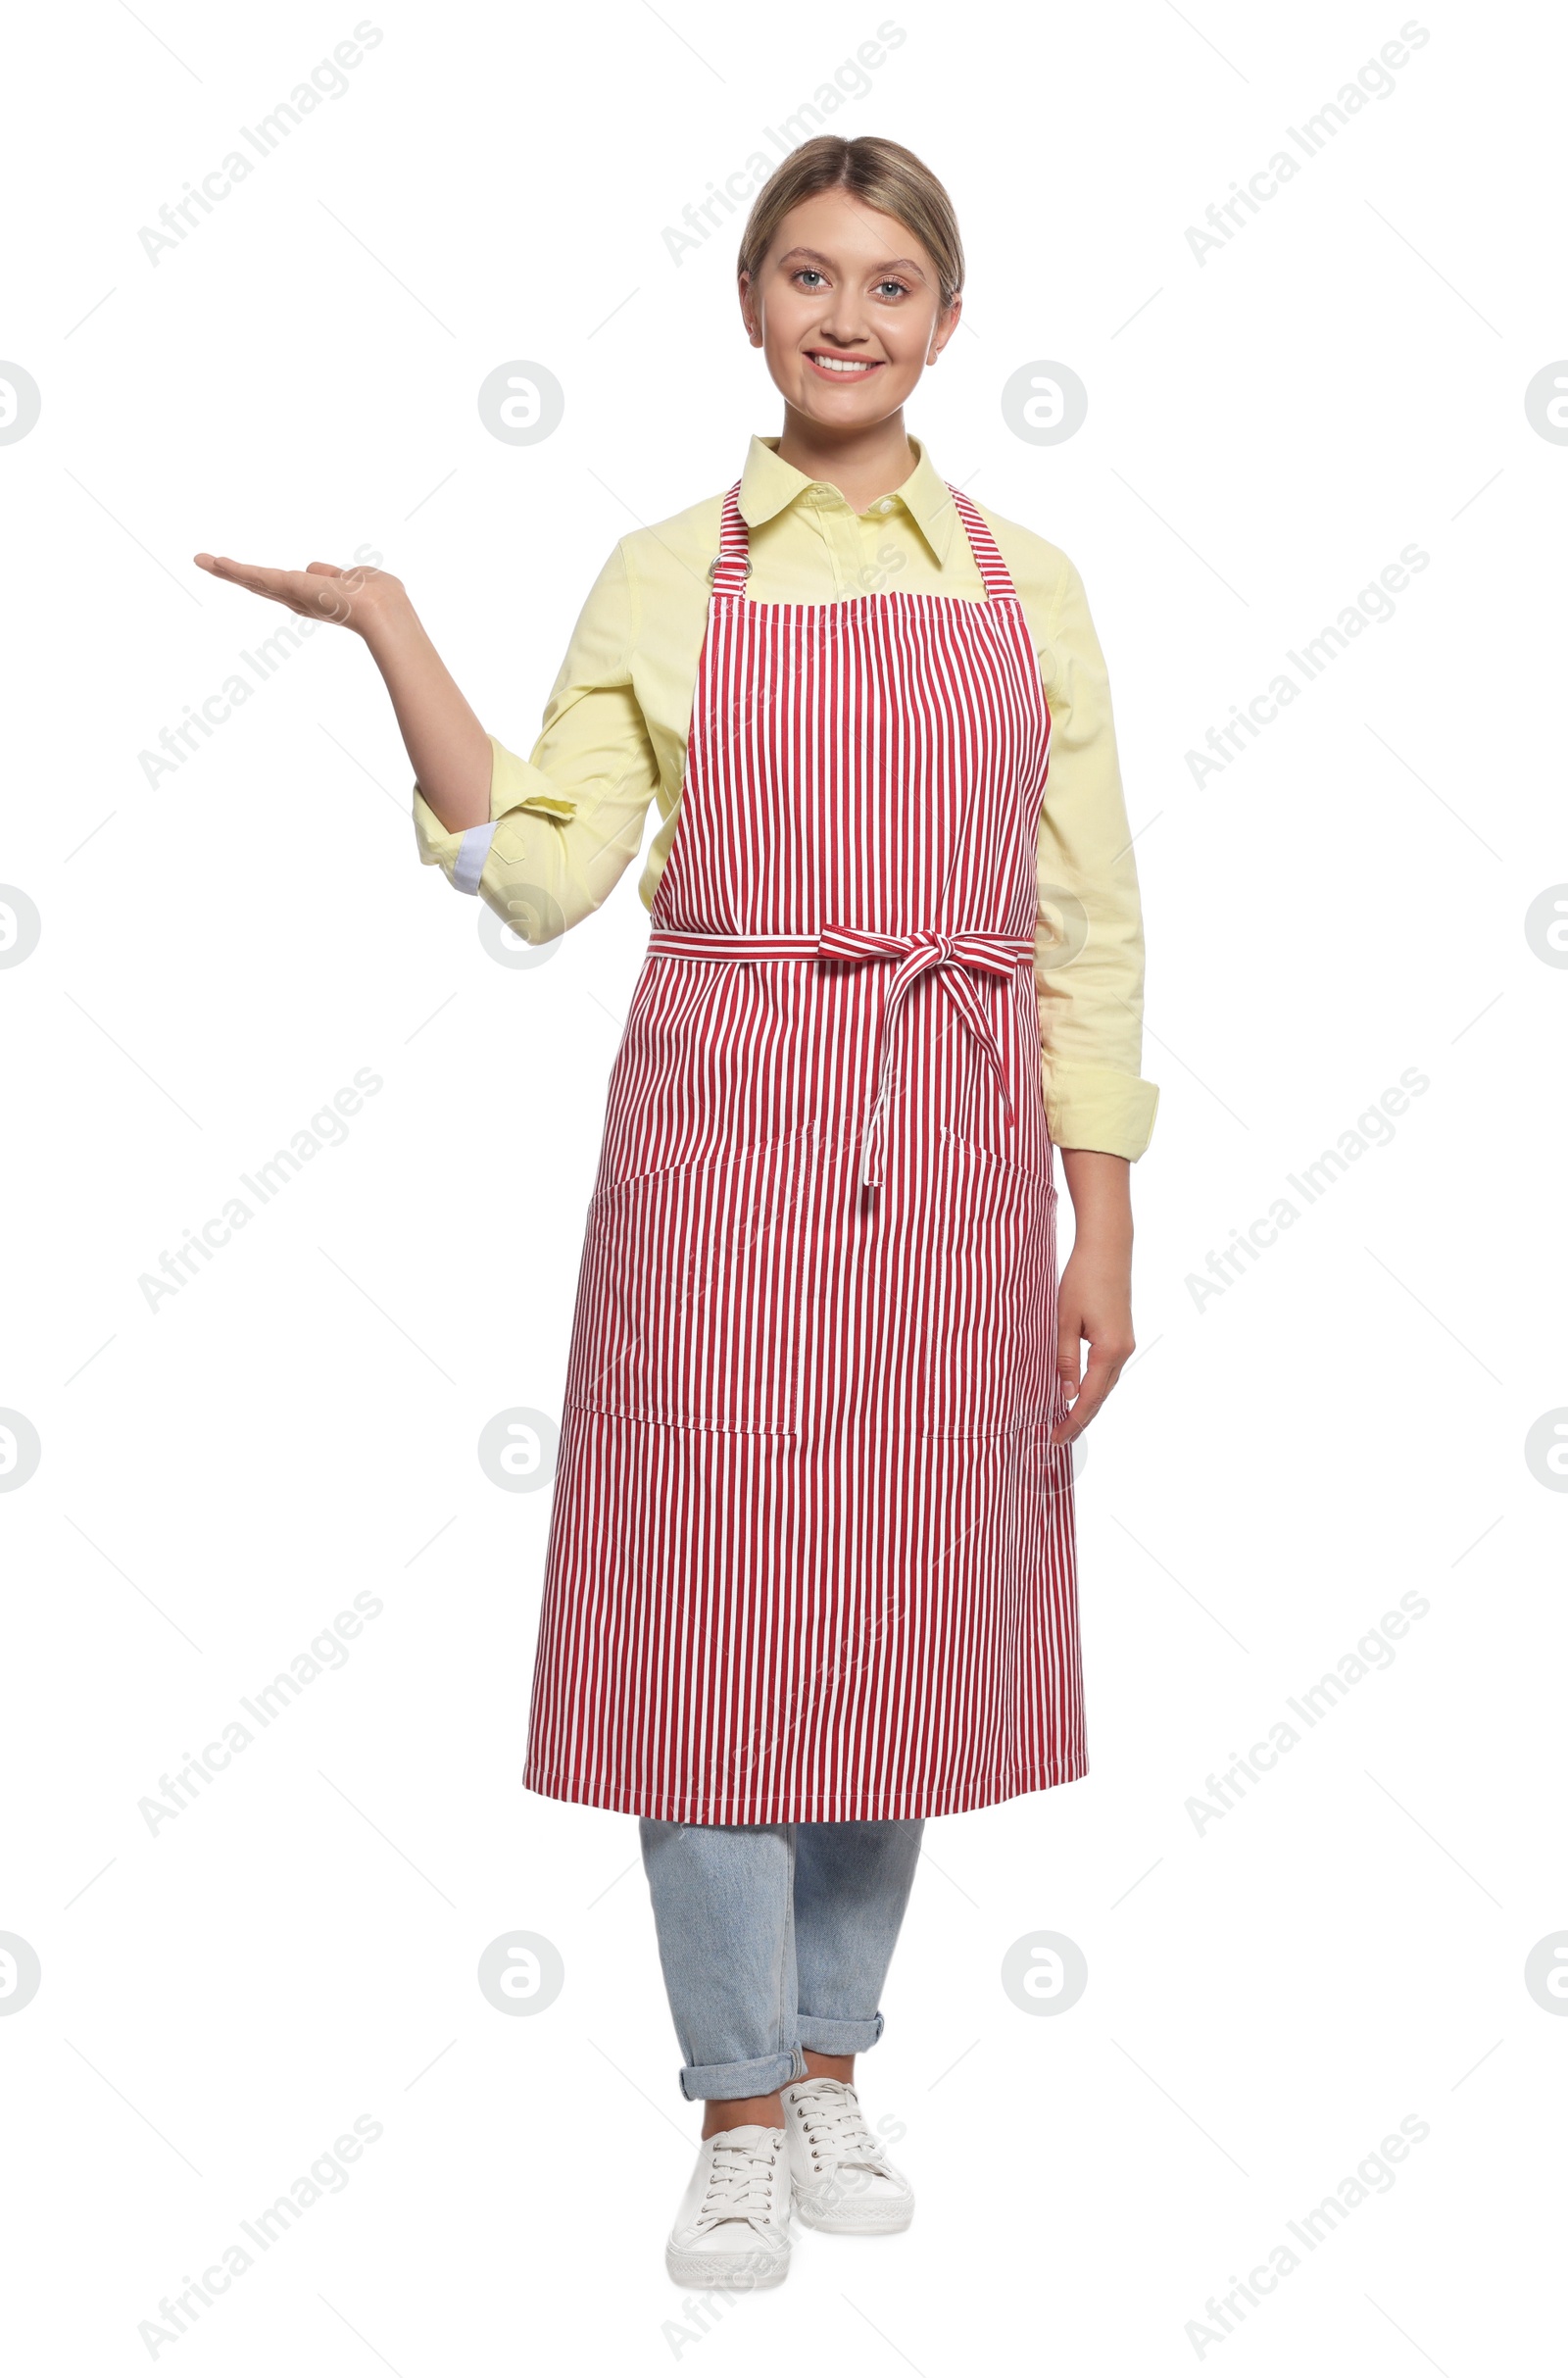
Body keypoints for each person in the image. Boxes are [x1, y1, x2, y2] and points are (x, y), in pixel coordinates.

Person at [195, 131, 1158, 2291]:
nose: (843, 314)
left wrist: (1097, 1218)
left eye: (887, 282)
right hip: (719, 1129)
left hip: (955, 1136)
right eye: (804, 275)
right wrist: (386, 629)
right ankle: (732, 2096)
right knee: (715, 1612)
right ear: (748, 307)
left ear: (942, 319)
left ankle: (831, 2050)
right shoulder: (664, 571)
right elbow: (539, 876)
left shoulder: (1027, 583)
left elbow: (1085, 915)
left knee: (905, 1606)